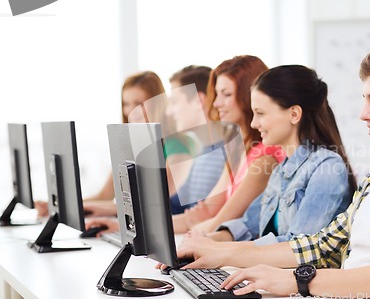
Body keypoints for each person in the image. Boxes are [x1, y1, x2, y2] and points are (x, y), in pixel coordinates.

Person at [167, 41, 370, 299]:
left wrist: (297, 281)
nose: (364, 114)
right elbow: (320, 245)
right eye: (365, 100)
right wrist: (221, 253)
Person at [191, 65, 356, 245]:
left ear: (294, 114)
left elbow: (297, 246)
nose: (254, 123)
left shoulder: (327, 168)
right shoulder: (281, 170)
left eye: (260, 113)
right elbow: (247, 226)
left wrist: (220, 251)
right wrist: (207, 242)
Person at [36, 71, 192, 218]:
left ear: (157, 102)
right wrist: (58, 206)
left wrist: (77, 209)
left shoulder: (177, 146)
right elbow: (105, 196)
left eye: (139, 103)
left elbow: (156, 201)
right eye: (126, 103)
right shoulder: (133, 146)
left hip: (174, 232)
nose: (130, 111)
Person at [172, 55, 285, 233]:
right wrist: (141, 230)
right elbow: (205, 213)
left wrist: (195, 230)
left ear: (250, 96)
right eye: (217, 94)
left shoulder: (266, 157)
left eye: (226, 94)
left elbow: (221, 222)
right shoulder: (236, 150)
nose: (216, 103)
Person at [166, 65, 228, 214]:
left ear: (198, 101)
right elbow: (177, 205)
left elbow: (204, 216)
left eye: (174, 102)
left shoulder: (226, 156)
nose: (169, 112)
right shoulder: (200, 153)